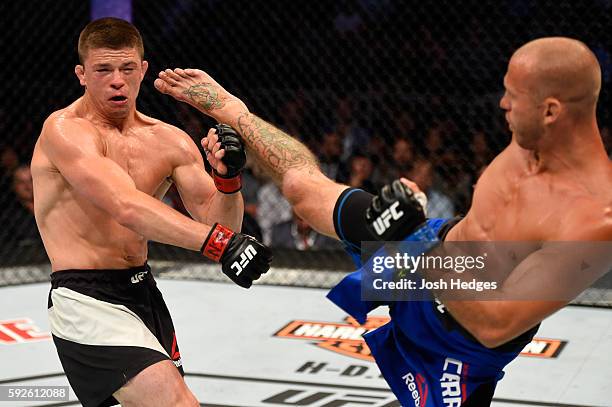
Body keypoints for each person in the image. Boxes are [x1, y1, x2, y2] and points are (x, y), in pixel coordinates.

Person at [155, 37, 611, 406]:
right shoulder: (533, 138)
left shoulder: (594, 220)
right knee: (303, 191)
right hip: (436, 247)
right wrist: (416, 238)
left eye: (513, 97)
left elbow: (494, 324)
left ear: (551, 110)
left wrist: (410, 245)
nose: (502, 106)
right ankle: (235, 108)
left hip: (459, 342)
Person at [31, 18, 272, 407]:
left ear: (143, 70)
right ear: (81, 75)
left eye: (127, 69)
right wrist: (220, 244)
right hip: (86, 299)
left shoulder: (169, 140)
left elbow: (223, 225)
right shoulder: (64, 131)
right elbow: (125, 206)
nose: (117, 80)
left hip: (143, 293)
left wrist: (227, 180)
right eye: (103, 70)